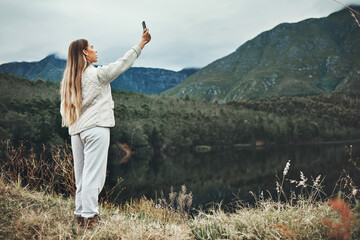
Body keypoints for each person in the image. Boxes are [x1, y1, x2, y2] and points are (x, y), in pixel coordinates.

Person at [60, 28, 151, 228]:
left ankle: (80, 216)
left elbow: (65, 112)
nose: (95, 50)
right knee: (94, 175)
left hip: (77, 131)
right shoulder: (95, 75)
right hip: (96, 128)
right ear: (85, 53)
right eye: (91, 47)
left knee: (81, 176)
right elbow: (122, 64)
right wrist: (141, 44)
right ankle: (91, 218)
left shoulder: (70, 81)